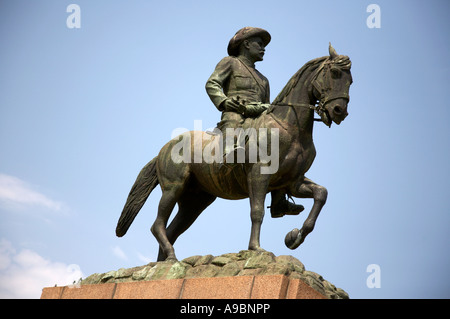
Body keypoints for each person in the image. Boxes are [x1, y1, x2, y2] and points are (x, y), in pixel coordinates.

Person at [205, 27, 304, 218]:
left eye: (264, 45)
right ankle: (227, 159)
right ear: (246, 44)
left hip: (257, 117)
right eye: (259, 44)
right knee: (233, 126)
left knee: (277, 145)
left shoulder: (263, 80)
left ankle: (278, 201)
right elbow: (212, 83)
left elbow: (268, 106)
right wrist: (224, 101)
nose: (263, 48)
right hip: (235, 115)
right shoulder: (230, 63)